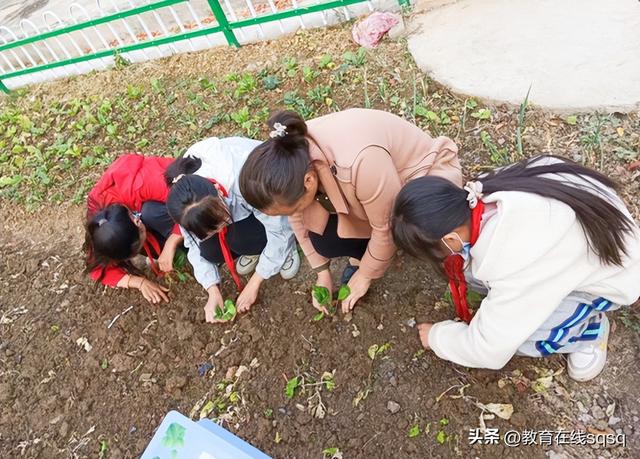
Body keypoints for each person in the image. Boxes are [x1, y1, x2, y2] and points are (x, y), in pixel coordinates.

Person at [390, 155, 640, 381]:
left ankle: (588, 332)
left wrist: (437, 337)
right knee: (471, 272)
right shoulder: (483, 190)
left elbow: (489, 350)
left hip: (612, 274)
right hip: (597, 232)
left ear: (451, 239)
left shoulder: (519, 260)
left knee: (524, 336)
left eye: (437, 253)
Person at [238, 108, 462, 313]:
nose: (288, 216)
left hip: (424, 179)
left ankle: (381, 256)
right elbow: (298, 220)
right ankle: (365, 255)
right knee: (324, 240)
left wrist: (365, 275)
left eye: (290, 209)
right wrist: (322, 273)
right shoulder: (290, 160)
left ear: (308, 181)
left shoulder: (359, 162)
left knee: (414, 232)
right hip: (373, 188)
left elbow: (386, 225)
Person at [165, 137, 300, 323]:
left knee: (242, 239)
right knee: (210, 251)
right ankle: (256, 250)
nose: (220, 229)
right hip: (235, 207)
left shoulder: (246, 180)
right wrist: (212, 290)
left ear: (218, 191)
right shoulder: (183, 202)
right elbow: (194, 245)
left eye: (220, 222)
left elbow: (279, 226)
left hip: (272, 190)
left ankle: (288, 248)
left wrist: (255, 282)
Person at [84, 153, 183, 304]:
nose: (138, 221)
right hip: (159, 213)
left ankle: (193, 245)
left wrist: (172, 242)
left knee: (150, 212)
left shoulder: (143, 183)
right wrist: (139, 283)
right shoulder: (99, 223)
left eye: (139, 226)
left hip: (187, 194)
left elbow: (194, 198)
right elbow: (98, 268)